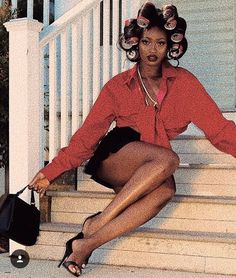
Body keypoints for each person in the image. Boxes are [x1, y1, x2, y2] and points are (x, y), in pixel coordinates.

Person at [28, 2, 236, 277]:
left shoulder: (185, 83)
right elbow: (87, 137)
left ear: (171, 46)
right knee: (169, 159)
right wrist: (50, 171)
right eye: (146, 42)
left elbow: (219, 130)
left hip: (153, 164)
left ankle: (85, 243)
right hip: (116, 156)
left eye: (160, 43)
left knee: (165, 191)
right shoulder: (118, 86)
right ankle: (99, 221)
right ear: (135, 44)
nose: (152, 49)